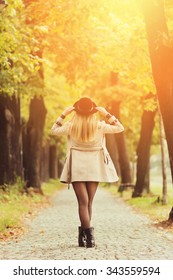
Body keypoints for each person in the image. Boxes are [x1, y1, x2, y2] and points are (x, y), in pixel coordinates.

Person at [51, 97, 124, 248]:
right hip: (95, 166)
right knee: (89, 202)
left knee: (82, 203)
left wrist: (64, 114)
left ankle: (85, 235)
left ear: (76, 111)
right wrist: (106, 114)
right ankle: (88, 237)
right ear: (93, 111)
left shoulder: (71, 126)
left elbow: (54, 130)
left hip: (77, 166)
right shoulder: (100, 125)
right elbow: (119, 127)